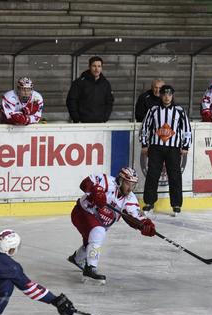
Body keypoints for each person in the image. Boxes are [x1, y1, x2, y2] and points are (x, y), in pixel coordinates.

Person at [68, 167, 155, 284]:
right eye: (128, 184)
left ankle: (77, 258)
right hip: (82, 213)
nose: (130, 188)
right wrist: (96, 191)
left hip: (98, 222)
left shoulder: (130, 199)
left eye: (133, 185)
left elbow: (134, 217)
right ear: (120, 180)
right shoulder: (106, 181)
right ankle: (90, 269)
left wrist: (144, 224)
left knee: (92, 242)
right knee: (98, 232)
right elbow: (85, 183)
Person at [140, 85, 191, 216]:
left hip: (173, 148)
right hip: (156, 147)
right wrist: (144, 144)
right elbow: (145, 127)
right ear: (160, 95)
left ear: (172, 96)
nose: (167, 97)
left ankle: (176, 204)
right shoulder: (153, 110)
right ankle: (149, 203)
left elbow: (186, 129)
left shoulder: (179, 110)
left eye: (169, 94)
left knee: (175, 176)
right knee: (152, 175)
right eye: (164, 94)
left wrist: (185, 146)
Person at [66, 56, 114, 123]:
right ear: (89, 67)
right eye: (94, 66)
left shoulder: (105, 84)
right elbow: (71, 101)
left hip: (100, 123)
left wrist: (105, 118)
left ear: (101, 68)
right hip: (82, 123)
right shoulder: (79, 83)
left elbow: (109, 102)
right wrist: (77, 119)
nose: (96, 69)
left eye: (99, 66)